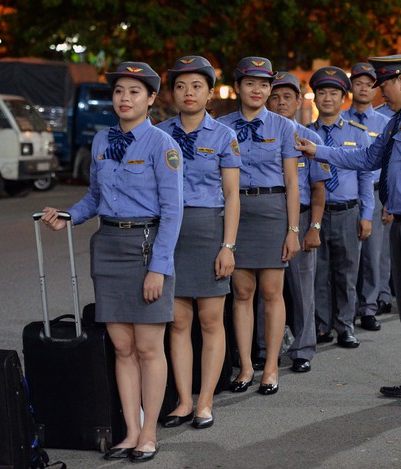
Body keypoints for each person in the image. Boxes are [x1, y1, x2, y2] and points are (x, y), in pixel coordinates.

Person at [296, 55, 401, 410]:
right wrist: (317, 151)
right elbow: (369, 158)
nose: (378, 93)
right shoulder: (399, 117)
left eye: (382, 85)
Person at [41, 62, 183, 462]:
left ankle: (150, 433)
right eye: (119, 91)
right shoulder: (102, 141)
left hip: (145, 245)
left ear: (152, 99)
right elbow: (93, 197)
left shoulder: (161, 144)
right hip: (108, 245)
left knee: (148, 347)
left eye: (135, 92)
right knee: (122, 347)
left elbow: (173, 212)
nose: (124, 98)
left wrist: (159, 266)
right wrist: (69, 216)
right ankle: (130, 431)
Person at [157, 56, 241, 429]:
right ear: (171, 93)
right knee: (177, 322)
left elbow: (233, 196)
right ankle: (183, 400)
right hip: (168, 233)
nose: (187, 93)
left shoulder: (224, 136)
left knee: (210, 321)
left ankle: (206, 401)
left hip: (208, 230)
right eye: (180, 86)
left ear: (210, 93)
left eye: (196, 86)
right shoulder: (158, 133)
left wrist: (228, 246)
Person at [218, 56, 301, 395]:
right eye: (250, 83)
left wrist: (293, 230)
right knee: (241, 292)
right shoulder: (221, 126)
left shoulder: (284, 127)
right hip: (234, 210)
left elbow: (293, 183)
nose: (258, 90)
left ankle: (271, 368)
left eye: (264, 84)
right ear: (237, 87)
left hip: (271, 211)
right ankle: (247, 367)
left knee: (271, 293)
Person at [256, 71, 331, 373]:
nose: (281, 102)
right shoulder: (258, 135)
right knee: (266, 289)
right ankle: (263, 348)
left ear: (299, 101)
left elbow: (318, 189)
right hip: (269, 217)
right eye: (275, 96)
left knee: (302, 290)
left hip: (300, 217)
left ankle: (302, 349)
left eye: (287, 96)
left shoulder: (310, 138)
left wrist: (314, 228)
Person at [308, 66, 374, 348]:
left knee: (347, 272)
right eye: (321, 92)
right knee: (319, 273)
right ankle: (322, 326)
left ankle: (345, 326)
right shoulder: (306, 134)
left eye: (334, 92)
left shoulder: (357, 133)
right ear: (313, 98)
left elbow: (366, 174)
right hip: (317, 214)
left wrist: (367, 215)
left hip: (348, 211)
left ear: (343, 98)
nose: (327, 98)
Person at [342, 62, 391, 329]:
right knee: (348, 257)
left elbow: (391, 164)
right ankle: (344, 311)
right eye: (358, 83)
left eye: (369, 84)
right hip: (347, 195)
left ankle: (369, 306)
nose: (363, 88)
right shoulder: (339, 121)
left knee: (373, 254)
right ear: (350, 87)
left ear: (376, 90)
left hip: (374, 193)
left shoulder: (384, 123)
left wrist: (389, 199)